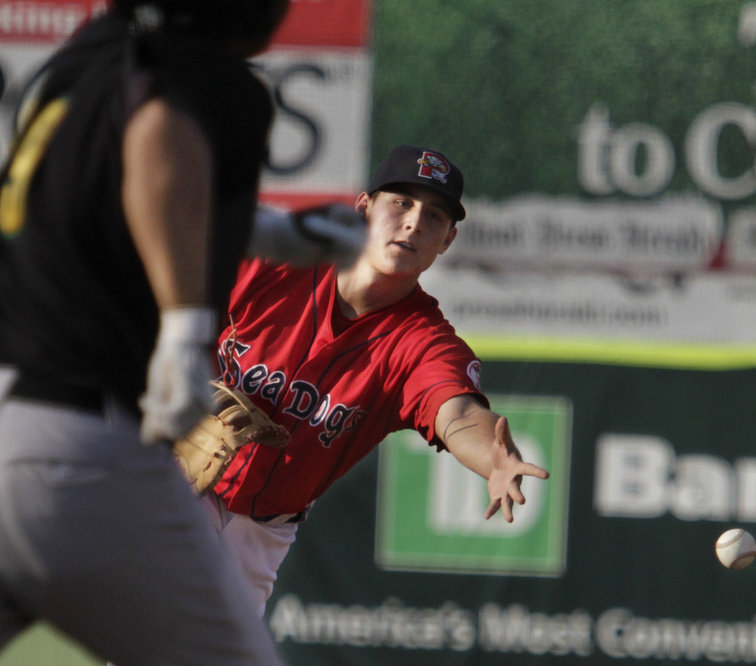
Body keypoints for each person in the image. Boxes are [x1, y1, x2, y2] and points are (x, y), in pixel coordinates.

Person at [0, 1, 315, 663]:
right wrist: (184, 325)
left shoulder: (85, 56)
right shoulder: (197, 71)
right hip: (75, 446)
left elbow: (118, 193)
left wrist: (281, 235)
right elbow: (159, 133)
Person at [205, 144, 551, 617]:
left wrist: (492, 455)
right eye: (401, 203)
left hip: (260, 535)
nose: (413, 223)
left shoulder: (422, 342)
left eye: (433, 216)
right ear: (365, 209)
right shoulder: (278, 261)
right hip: (176, 490)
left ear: (447, 240)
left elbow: (457, 411)